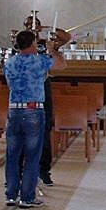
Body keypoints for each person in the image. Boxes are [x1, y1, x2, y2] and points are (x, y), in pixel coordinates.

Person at [3, 29, 65, 208]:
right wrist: (52, 49)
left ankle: (11, 194)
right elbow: (61, 65)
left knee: (12, 155)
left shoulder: (10, 62)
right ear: (32, 44)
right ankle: (27, 197)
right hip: (33, 111)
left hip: (14, 110)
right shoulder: (39, 61)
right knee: (31, 157)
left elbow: (9, 83)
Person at [22, 15, 71, 188]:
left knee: (44, 129)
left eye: (35, 25)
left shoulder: (44, 42)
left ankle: (44, 170)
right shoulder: (20, 44)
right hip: (25, 92)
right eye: (28, 25)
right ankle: (23, 169)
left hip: (43, 90)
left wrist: (48, 31)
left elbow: (66, 37)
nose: (32, 27)